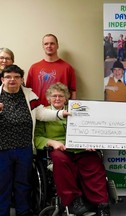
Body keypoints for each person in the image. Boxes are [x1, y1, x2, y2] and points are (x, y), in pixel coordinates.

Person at [0, 65, 69, 216]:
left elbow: (42, 113)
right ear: (2, 79)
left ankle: (23, 212)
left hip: (24, 148)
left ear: (21, 79)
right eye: (8, 77)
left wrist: (60, 114)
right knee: (2, 185)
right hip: (2, 149)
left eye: (17, 77)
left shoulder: (29, 95)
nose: (13, 80)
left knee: (23, 184)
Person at [34, 82, 110, 216]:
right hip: (59, 148)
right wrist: (52, 142)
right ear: (48, 98)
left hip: (80, 148)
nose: (57, 98)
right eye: (54, 96)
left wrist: (90, 142)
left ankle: (101, 203)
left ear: (66, 98)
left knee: (94, 164)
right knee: (60, 161)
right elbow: (37, 137)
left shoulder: (77, 111)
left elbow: (90, 129)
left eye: (61, 96)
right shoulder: (43, 113)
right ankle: (74, 200)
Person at [26, 33, 77, 106]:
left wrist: (72, 110)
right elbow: (28, 91)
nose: (49, 46)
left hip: (60, 112)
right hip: (38, 111)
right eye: (46, 44)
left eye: (52, 43)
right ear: (43, 46)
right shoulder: (34, 68)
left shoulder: (67, 68)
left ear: (57, 46)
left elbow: (73, 92)